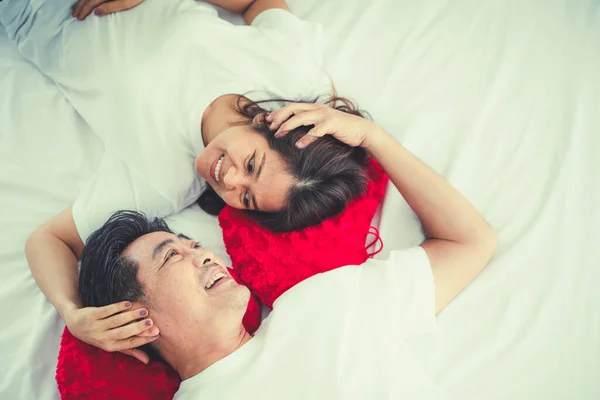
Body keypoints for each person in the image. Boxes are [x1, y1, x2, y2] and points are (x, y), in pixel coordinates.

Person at [1, 0, 368, 362]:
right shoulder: (291, 74)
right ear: (272, 124)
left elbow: (49, 240)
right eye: (253, 164)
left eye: (247, 198)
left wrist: (72, 312)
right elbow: (258, 2)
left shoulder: (163, 182)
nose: (229, 180)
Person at [78, 105, 498, 399]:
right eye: (171, 256)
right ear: (134, 319)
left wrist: (374, 138)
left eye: (194, 244)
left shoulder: (323, 304)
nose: (204, 255)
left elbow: (470, 242)